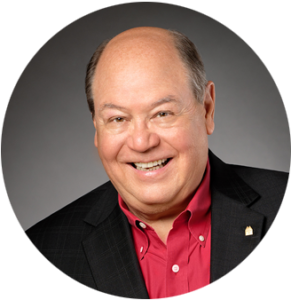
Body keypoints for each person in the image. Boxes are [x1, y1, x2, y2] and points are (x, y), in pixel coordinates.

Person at [25, 27, 289, 299]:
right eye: (118, 119)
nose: (141, 142)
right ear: (96, 128)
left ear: (207, 108)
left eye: (162, 113)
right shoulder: (46, 249)